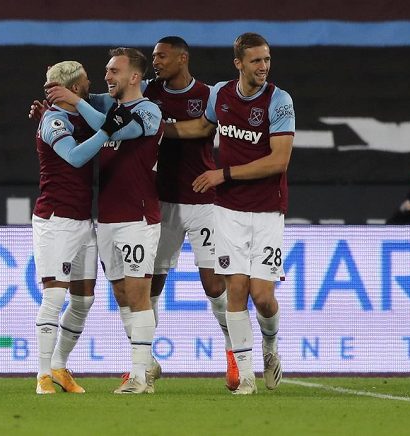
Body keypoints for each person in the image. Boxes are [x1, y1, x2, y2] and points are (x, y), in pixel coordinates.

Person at [164, 32, 295, 395]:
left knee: (263, 296)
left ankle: (270, 347)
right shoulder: (221, 94)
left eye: (267, 59)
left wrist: (223, 174)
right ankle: (247, 377)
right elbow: (203, 127)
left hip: (267, 210)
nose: (263, 67)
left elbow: (279, 160)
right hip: (229, 211)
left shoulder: (279, 101)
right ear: (238, 63)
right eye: (256, 61)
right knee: (235, 289)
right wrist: (161, 129)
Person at [46, 47, 164, 394]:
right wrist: (58, 91)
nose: (107, 77)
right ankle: (148, 363)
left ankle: (139, 377)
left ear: (134, 77)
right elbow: (79, 96)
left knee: (139, 293)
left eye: (114, 71)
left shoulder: (149, 111)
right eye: (106, 70)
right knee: (123, 293)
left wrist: (76, 99)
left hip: (138, 216)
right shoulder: (104, 103)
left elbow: (115, 131)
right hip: (108, 216)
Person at [143, 36, 238, 390]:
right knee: (151, 284)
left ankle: (233, 355)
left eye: (162, 56)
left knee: (214, 285)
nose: (157, 62)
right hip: (162, 200)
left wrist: (156, 128)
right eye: (154, 57)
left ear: (183, 58)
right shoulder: (150, 91)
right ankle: (145, 362)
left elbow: (204, 127)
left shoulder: (209, 95)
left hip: (204, 201)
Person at [33, 61, 132, 394]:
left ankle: (59, 366)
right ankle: (42, 375)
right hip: (56, 219)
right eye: (87, 81)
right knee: (55, 295)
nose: (94, 84)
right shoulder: (54, 120)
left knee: (83, 300)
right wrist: (105, 133)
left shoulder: (78, 113)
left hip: (82, 220)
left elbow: (103, 111)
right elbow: (74, 157)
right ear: (75, 87)